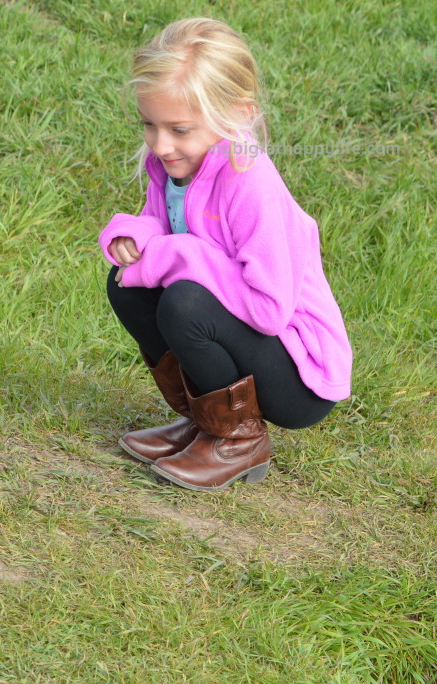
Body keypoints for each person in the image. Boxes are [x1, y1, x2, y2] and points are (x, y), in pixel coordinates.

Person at [99, 18, 352, 491]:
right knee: (126, 283)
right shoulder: (173, 165)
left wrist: (177, 255)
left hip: (299, 374)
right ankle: (205, 422)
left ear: (237, 113)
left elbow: (269, 309)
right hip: (251, 346)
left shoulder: (249, 181)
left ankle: (239, 440)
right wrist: (134, 234)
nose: (160, 144)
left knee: (186, 302)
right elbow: (162, 225)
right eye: (149, 125)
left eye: (179, 129)